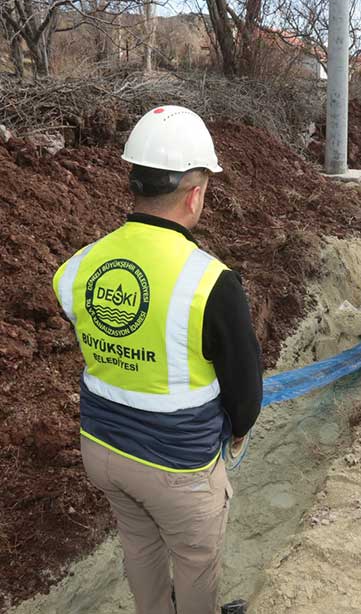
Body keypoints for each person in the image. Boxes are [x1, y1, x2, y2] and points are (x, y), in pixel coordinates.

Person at [52, 106, 262, 614]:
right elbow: (245, 391)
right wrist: (238, 428)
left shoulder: (78, 268)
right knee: (194, 563)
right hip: (178, 467)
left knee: (139, 545)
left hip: (102, 449)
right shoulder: (212, 283)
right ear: (195, 195)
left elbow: (92, 327)